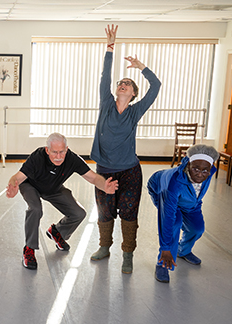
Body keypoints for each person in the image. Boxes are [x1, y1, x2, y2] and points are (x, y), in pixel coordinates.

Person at [89, 25, 162, 275]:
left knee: (129, 213)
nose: (122, 84)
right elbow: (105, 76)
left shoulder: (135, 111)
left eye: (127, 84)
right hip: (105, 169)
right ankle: (104, 247)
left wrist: (141, 67)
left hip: (130, 170)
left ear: (133, 93)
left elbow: (156, 85)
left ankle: (128, 254)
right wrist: (110, 47)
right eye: (121, 82)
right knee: (105, 210)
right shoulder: (107, 103)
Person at [6, 133, 118, 270]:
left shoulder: (72, 159)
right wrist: (12, 186)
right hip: (31, 185)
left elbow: (93, 178)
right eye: (54, 152)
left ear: (66, 149)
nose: (58, 157)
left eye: (62, 152)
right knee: (35, 209)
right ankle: (29, 249)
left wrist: (104, 186)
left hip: (53, 188)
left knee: (79, 213)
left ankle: (56, 232)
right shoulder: (37, 157)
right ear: (47, 150)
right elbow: (17, 177)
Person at [148, 144, 219, 283]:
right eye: (196, 169)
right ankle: (162, 263)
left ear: (210, 168)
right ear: (188, 164)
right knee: (175, 223)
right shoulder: (173, 184)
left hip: (189, 200)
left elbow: (197, 193)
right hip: (161, 190)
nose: (200, 174)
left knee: (197, 228)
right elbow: (167, 218)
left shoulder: (208, 173)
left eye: (205, 170)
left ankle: (183, 251)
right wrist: (166, 248)